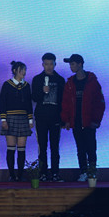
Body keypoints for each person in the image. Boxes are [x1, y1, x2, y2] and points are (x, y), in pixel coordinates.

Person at [61, 54, 105, 181]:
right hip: (76, 121)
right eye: (70, 64)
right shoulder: (70, 83)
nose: (71, 67)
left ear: (80, 64)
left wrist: (96, 120)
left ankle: (92, 172)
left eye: (73, 64)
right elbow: (65, 103)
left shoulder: (92, 82)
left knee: (91, 148)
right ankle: (83, 172)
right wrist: (66, 120)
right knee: (80, 149)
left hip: (89, 122)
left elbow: (100, 102)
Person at [31, 53, 66, 182]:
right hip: (41, 117)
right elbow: (34, 98)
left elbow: (63, 101)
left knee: (55, 147)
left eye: (51, 64)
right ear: (43, 64)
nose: (49, 66)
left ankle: (55, 173)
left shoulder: (60, 80)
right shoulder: (37, 79)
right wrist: (43, 91)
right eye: (46, 64)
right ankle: (43, 173)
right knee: (42, 146)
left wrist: (64, 119)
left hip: (55, 117)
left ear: (55, 64)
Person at [0, 61, 33, 182]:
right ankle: (12, 175)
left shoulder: (26, 85)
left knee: (22, 148)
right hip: (10, 118)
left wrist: (30, 119)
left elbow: (29, 103)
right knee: (11, 148)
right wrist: (3, 119)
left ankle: (20, 174)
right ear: (14, 71)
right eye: (21, 70)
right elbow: (2, 102)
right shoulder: (7, 84)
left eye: (24, 70)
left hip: (23, 118)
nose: (23, 72)